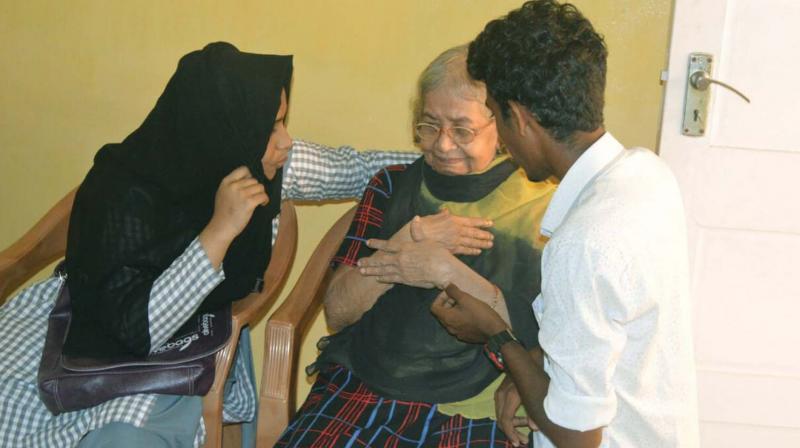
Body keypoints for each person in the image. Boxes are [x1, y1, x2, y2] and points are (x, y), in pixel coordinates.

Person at [0, 42, 421, 448]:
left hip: (176, 355)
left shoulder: (255, 165)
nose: (286, 141)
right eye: (271, 126)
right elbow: (133, 328)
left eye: (282, 121)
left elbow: (359, 168)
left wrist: (447, 157)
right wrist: (219, 230)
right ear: (221, 126)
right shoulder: (119, 190)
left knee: (124, 437)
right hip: (71, 331)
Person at [431, 2, 700, 447]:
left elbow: (577, 438)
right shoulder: (648, 175)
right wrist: (537, 361)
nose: (500, 137)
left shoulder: (582, 243)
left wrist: (498, 337)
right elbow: (614, 328)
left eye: (495, 116)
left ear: (518, 118)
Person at [275, 45, 556, 447]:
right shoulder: (392, 185)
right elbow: (337, 311)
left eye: (462, 129)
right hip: (364, 381)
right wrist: (406, 242)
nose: (442, 145)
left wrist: (443, 270)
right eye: (429, 125)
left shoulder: (542, 207)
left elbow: (549, 335)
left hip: (472, 399)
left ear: (503, 129)